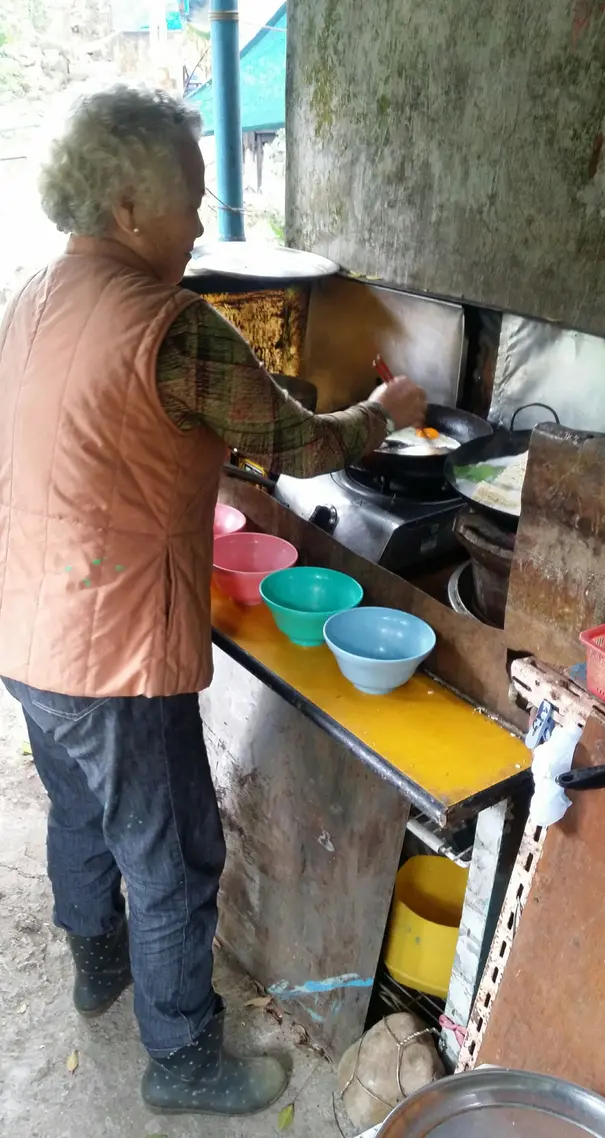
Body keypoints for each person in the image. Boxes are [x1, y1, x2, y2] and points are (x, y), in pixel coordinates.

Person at [0, 86, 427, 1117]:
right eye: (190, 198)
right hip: (114, 651)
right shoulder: (172, 327)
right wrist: (386, 409)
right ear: (129, 205)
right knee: (176, 855)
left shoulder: (31, 293)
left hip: (23, 623)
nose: (200, 224)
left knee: (80, 812)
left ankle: (98, 964)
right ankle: (182, 1055)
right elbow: (301, 445)